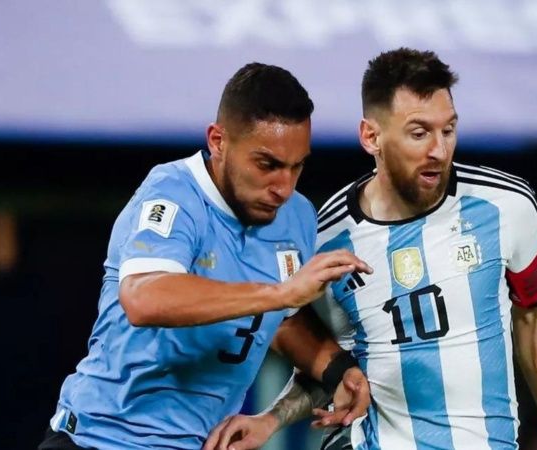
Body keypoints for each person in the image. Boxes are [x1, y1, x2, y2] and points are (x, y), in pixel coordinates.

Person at [206, 49, 537, 450]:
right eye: (419, 133)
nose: (439, 150)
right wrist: (271, 419)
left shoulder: (506, 206)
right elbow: (333, 365)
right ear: (371, 137)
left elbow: (536, 312)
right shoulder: (326, 238)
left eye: (448, 130)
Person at [38, 62, 373, 450]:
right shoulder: (173, 193)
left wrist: (339, 371)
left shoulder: (296, 216)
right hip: (101, 440)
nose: (283, 187)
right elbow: (144, 298)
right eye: (267, 164)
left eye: (296, 166)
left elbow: (283, 321)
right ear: (217, 141)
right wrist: (281, 293)